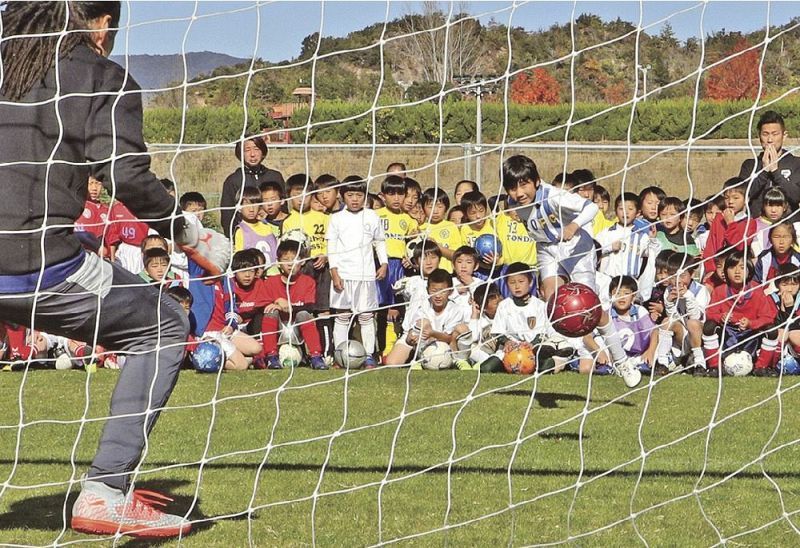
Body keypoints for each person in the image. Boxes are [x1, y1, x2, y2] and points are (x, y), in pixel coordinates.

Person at [0, 1, 229, 538]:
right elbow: (126, 176)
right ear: (101, 24)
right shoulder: (100, 76)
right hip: (33, 267)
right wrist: (190, 231)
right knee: (165, 325)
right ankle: (104, 493)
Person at [501, 154, 642, 388]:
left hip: (576, 248)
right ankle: (571, 349)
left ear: (536, 181)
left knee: (592, 309)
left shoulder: (556, 196)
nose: (519, 192)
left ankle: (621, 360)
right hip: (547, 249)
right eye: (513, 187)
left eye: (524, 184)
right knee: (555, 302)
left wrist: (573, 225)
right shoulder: (515, 202)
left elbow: (591, 208)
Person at [327, 176, 388, 368]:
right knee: (342, 316)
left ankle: (369, 354)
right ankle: (339, 355)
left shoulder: (372, 216)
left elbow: (379, 241)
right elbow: (332, 247)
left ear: (365, 196)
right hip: (344, 275)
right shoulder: (336, 218)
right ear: (342, 196)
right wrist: (334, 272)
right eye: (350, 195)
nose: (355, 199)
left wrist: (384, 263)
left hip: (366, 276)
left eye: (359, 195)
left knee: (366, 317)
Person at [701, 249, 777, 376]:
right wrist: (721, 317)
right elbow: (710, 313)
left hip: (750, 334)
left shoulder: (757, 291)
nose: (737, 272)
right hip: (728, 334)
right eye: (732, 267)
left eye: (742, 267)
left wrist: (751, 323)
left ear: (749, 270)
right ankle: (714, 367)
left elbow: (768, 317)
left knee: (772, 330)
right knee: (709, 326)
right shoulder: (720, 291)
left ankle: (761, 367)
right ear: (726, 270)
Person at [384, 268, 470, 369]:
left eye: (443, 291)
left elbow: (449, 338)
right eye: (434, 291)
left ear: (450, 292)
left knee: (462, 329)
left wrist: (432, 333)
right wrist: (410, 338)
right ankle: (418, 359)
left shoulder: (456, 309)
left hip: (444, 342)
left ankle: (460, 361)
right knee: (392, 364)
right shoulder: (422, 305)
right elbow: (413, 331)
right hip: (421, 342)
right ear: (428, 290)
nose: (438, 295)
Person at [261, 240, 327, 370]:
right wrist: (276, 302)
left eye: (295, 259)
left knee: (304, 314)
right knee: (270, 312)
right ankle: (271, 356)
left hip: (298, 326)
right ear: (279, 262)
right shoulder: (270, 282)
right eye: (286, 260)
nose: (290, 264)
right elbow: (262, 304)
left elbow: (309, 306)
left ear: (302, 261)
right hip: (279, 326)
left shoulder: (308, 282)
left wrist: (288, 306)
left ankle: (315, 356)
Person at [219, 135, 284, 237]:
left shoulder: (275, 177)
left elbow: (283, 209)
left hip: (274, 235)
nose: (252, 154)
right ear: (240, 154)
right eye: (247, 150)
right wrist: (233, 238)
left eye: (256, 149)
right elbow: (227, 216)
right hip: (246, 236)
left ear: (263, 152)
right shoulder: (233, 180)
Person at [738, 110, 800, 215]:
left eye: (775, 134)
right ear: (759, 136)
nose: (770, 139)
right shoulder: (749, 165)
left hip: (788, 227)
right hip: (756, 225)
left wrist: (775, 171)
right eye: (765, 134)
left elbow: (796, 196)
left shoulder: (796, 163)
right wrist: (764, 170)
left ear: (784, 135)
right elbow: (743, 196)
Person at [702, 177, 758, 278]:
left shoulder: (750, 223)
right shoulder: (719, 218)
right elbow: (710, 247)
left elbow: (739, 246)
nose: (730, 201)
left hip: (737, 272)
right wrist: (711, 269)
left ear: (746, 200)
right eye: (727, 197)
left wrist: (730, 223)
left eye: (736, 198)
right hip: (717, 271)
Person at [419, 188, 462, 272]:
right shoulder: (420, 229)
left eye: (440, 206)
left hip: (447, 274)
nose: (435, 211)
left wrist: (438, 248)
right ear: (423, 208)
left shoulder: (451, 226)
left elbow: (456, 255)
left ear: (446, 208)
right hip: (426, 276)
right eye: (430, 207)